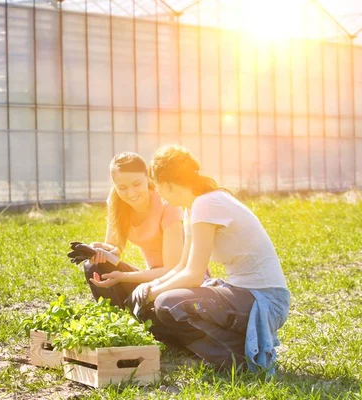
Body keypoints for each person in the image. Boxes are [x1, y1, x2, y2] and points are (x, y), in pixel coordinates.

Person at [92, 145, 290, 372]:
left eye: (156, 186)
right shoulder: (192, 208)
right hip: (243, 296)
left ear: (167, 185)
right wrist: (149, 287)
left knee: (168, 304)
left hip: (265, 301)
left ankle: (239, 359)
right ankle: (217, 351)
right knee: (161, 303)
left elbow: (194, 276)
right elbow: (181, 267)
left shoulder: (207, 204)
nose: (158, 193)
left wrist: (149, 292)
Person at [79, 152, 184, 308]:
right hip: (151, 277)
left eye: (136, 184)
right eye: (122, 187)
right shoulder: (117, 201)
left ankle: (138, 312)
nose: (131, 193)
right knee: (94, 265)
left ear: (147, 178)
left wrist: (123, 277)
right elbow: (114, 251)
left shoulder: (167, 205)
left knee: (163, 304)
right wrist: (102, 251)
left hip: (180, 280)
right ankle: (119, 318)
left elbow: (172, 270)